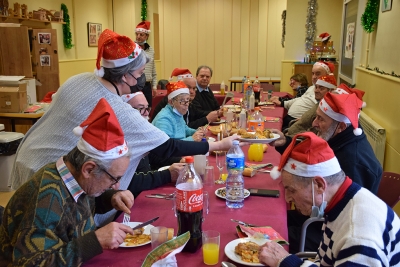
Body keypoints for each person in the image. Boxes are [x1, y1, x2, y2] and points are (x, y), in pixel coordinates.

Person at [11, 29, 239, 227]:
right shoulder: (116, 108)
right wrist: (217, 145)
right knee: (49, 232)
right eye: (139, 74)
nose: (140, 79)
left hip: (28, 155)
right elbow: (167, 146)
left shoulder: (80, 79)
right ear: (124, 75)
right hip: (53, 177)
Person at [0, 99, 136, 265]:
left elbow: (72, 211)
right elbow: (32, 263)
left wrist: (109, 198)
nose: (116, 186)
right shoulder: (48, 198)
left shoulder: (73, 177)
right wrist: (94, 241)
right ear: (88, 169)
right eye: (114, 179)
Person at [259, 132, 400, 267]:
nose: (288, 198)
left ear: (319, 185)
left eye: (292, 190)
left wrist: (285, 261)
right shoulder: (342, 201)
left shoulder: (357, 236)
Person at [273, 90, 382, 253]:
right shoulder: (339, 138)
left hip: (327, 229)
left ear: (341, 126)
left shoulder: (353, 162)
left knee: (270, 238)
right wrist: (285, 142)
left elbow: (345, 219)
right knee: (272, 218)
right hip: (317, 215)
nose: (314, 123)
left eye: (321, 119)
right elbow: (314, 157)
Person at [121, 91, 185, 197]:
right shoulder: (120, 140)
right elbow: (129, 182)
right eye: (141, 109)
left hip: (148, 187)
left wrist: (178, 160)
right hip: (132, 198)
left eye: (147, 108)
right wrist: (167, 175)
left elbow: (153, 157)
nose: (146, 113)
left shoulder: (139, 133)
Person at [270, 61, 334, 129]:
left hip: (297, 123)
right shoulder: (312, 88)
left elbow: (319, 111)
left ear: (327, 75)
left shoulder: (327, 92)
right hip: (290, 119)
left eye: (318, 74)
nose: (314, 77)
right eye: (313, 74)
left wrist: (305, 120)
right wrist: (282, 103)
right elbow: (300, 99)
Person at [151, 68, 220, 127]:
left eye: (194, 88)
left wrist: (215, 113)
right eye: (188, 87)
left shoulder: (188, 100)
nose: (192, 92)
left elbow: (197, 114)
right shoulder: (174, 102)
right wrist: (207, 119)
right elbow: (184, 127)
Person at [135, 21, 157, 107]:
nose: (138, 37)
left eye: (141, 35)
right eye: (137, 34)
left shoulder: (151, 50)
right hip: (135, 85)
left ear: (147, 36)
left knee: (148, 109)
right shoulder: (132, 48)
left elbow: (153, 69)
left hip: (147, 85)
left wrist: (154, 86)